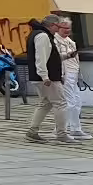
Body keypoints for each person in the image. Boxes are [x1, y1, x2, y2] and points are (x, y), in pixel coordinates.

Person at [25, 14, 70, 143]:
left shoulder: (37, 34)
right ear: (52, 25)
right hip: (48, 78)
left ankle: (32, 131)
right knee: (60, 103)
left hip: (41, 76)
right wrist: (45, 76)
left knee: (45, 103)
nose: (59, 29)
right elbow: (41, 58)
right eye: (58, 26)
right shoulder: (43, 36)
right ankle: (62, 133)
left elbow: (47, 56)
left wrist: (66, 56)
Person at [55, 16, 91, 140]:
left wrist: (79, 74)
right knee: (69, 102)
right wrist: (61, 75)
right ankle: (62, 129)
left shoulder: (70, 42)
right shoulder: (55, 41)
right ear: (58, 28)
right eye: (64, 28)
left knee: (77, 102)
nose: (67, 31)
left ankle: (75, 128)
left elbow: (76, 59)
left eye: (69, 28)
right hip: (64, 74)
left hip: (73, 74)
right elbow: (55, 59)